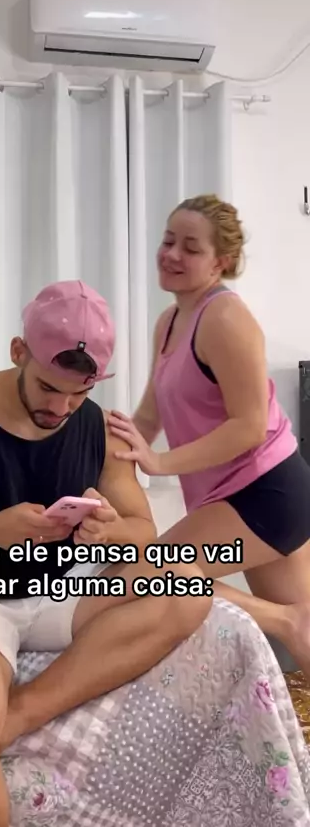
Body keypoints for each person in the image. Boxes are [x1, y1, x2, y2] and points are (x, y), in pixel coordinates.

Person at [0, 279, 211, 827]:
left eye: (78, 394)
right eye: (47, 388)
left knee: (188, 583)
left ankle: (19, 714)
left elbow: (141, 531)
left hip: (59, 589)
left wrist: (110, 532)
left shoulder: (98, 426)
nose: (61, 408)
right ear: (19, 351)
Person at [108, 193, 310, 681]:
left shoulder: (225, 319)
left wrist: (159, 463)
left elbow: (249, 425)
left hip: (267, 492)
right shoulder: (168, 323)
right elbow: (149, 416)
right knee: (307, 639)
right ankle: (290, 624)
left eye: (191, 248)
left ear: (221, 261)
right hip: (241, 494)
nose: (172, 254)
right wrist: (100, 451)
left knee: (144, 574)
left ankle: (284, 620)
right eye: (168, 240)